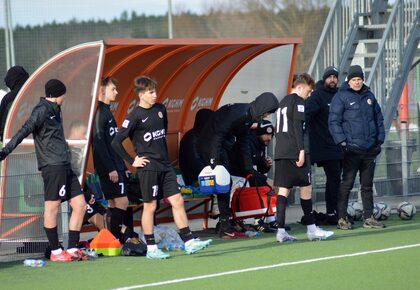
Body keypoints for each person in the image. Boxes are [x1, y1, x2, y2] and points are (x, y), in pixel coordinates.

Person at [111, 76, 211, 259]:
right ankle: (151, 248)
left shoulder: (160, 110)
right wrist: (132, 160)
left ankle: (189, 242)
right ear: (141, 95)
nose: (155, 95)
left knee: (178, 201)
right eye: (151, 92)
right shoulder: (134, 117)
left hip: (165, 166)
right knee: (150, 206)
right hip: (148, 169)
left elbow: (162, 131)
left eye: (155, 91)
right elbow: (116, 142)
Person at [0, 79, 88, 262]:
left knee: (80, 205)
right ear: (58, 94)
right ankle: (56, 251)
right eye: (63, 94)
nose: (65, 97)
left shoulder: (56, 110)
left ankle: (71, 248)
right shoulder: (41, 111)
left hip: (65, 164)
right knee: (52, 206)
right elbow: (23, 131)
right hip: (52, 165)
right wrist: (5, 151)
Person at [197, 92, 279, 238]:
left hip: (220, 146)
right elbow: (218, 134)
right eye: (267, 112)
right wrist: (214, 161)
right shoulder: (240, 113)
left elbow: (243, 142)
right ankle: (225, 226)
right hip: (211, 145)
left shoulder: (248, 116)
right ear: (263, 107)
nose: (266, 115)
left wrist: (249, 168)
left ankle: (226, 225)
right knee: (224, 183)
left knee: (226, 184)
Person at [274, 73, 334, 243]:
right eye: (308, 91)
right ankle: (311, 229)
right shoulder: (298, 102)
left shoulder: (282, 102)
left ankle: (280, 231)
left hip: (281, 152)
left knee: (283, 190)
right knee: (306, 188)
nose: (309, 95)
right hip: (295, 151)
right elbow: (297, 127)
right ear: (299, 87)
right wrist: (301, 150)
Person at [328, 65, 385, 230]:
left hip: (370, 150)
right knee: (347, 184)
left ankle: (369, 217)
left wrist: (379, 140)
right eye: (354, 80)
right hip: (351, 150)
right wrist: (342, 143)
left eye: (359, 79)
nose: (357, 82)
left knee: (367, 185)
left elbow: (379, 119)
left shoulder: (369, 96)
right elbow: (334, 122)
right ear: (349, 80)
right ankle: (342, 218)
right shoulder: (341, 97)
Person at [92, 76, 137, 244]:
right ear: (102, 91)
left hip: (116, 165)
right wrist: (111, 168)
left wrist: (123, 165)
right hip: (108, 167)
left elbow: (114, 143)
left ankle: (111, 239)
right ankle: (115, 238)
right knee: (122, 201)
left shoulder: (107, 112)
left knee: (113, 203)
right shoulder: (99, 113)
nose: (116, 92)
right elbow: (99, 143)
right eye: (113, 89)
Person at [305, 66, 343, 225]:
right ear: (324, 79)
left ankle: (338, 211)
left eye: (335, 77)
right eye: (330, 77)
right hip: (324, 146)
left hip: (339, 145)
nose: (332, 80)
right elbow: (306, 115)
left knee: (337, 179)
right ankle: (331, 212)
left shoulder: (341, 94)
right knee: (333, 177)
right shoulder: (317, 96)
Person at [229, 119, 278, 233]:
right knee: (262, 184)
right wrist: (267, 180)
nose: (269, 138)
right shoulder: (248, 142)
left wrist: (266, 165)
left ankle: (270, 220)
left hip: (243, 176)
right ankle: (258, 221)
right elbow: (247, 169)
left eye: (271, 135)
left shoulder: (261, 144)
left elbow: (260, 168)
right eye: (266, 134)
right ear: (259, 133)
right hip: (234, 176)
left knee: (264, 185)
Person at [179, 108, 214, 185]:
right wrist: (211, 173)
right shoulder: (192, 138)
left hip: (202, 175)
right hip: (194, 178)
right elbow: (195, 162)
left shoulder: (202, 135)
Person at [0, 66, 29, 143]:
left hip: (12, 142)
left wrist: (3, 137)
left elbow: (2, 123)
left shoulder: (8, 98)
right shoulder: (33, 93)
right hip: (33, 141)